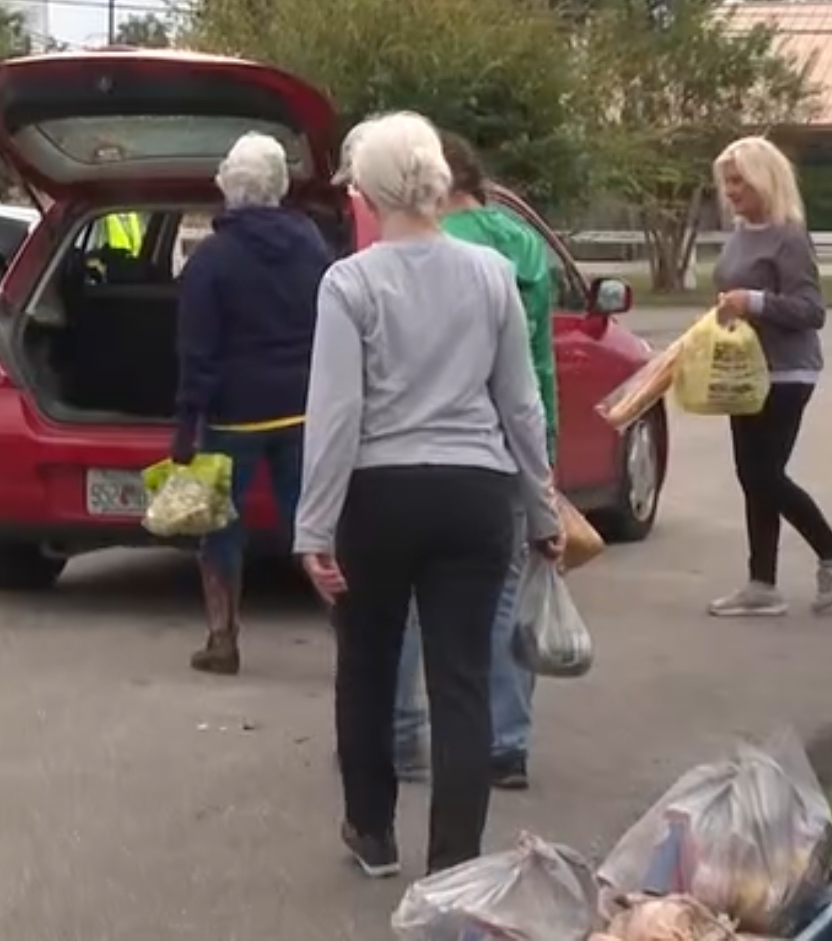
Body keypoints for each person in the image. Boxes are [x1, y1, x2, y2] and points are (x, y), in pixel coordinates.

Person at [297, 111, 558, 879]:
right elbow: (520, 402)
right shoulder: (489, 274)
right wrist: (542, 509)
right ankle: (454, 858)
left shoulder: (349, 282)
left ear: (368, 195)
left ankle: (371, 830)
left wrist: (313, 528)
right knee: (462, 677)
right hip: (475, 492)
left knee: (367, 665)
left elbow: (337, 412)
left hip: (379, 494)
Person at [392, 129, 559, 789]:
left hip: (424, 447)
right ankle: (505, 744)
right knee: (505, 599)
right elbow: (536, 366)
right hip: (509, 450)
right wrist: (544, 465)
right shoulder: (524, 247)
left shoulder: (432, 252)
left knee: (405, 597)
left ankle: (400, 734)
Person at [170, 132, 332, 675]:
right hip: (303, 408)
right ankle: (353, 627)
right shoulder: (311, 242)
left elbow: (197, 354)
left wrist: (185, 430)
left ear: (226, 187)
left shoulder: (211, 262)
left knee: (219, 527)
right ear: (280, 186)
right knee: (312, 525)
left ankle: (223, 640)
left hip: (232, 418)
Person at [706, 136, 832, 618]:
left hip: (787, 373)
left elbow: (811, 310)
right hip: (745, 368)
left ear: (764, 179)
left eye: (739, 181)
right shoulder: (741, 233)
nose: (730, 191)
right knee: (750, 477)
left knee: (764, 474)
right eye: (726, 182)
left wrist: (752, 301)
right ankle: (762, 583)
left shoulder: (789, 236)